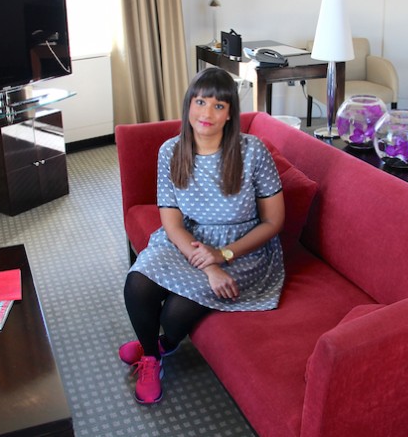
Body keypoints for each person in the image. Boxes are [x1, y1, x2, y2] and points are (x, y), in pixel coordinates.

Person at [121, 67, 285, 404]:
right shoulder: (170, 151)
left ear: (230, 114)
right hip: (188, 238)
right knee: (137, 284)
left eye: (218, 106)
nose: (207, 113)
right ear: (188, 105)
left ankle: (161, 344)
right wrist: (209, 265)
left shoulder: (252, 151)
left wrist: (223, 256)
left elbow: (273, 222)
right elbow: (171, 223)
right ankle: (151, 357)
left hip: (242, 249)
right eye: (200, 102)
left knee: (175, 312)